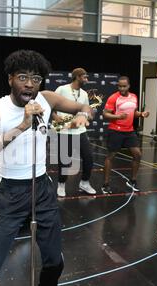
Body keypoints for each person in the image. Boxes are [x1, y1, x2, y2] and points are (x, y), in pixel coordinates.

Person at [0, 49, 93, 286]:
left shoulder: (48, 100)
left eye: (36, 78)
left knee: (54, 261)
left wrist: (83, 115)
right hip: (10, 191)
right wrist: (21, 127)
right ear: (10, 79)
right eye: (22, 77)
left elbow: (85, 105)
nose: (29, 84)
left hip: (42, 188)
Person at [101, 76, 149, 194]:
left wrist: (141, 114)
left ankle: (132, 181)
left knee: (137, 154)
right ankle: (105, 184)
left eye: (124, 86)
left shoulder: (134, 97)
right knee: (111, 156)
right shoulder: (114, 98)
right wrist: (118, 116)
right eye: (119, 86)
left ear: (129, 86)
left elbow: (134, 112)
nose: (122, 88)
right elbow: (105, 114)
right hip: (115, 131)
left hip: (129, 131)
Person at [52, 68, 96, 197]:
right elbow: (51, 105)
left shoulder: (83, 93)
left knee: (88, 158)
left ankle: (85, 183)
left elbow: (86, 110)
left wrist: (88, 116)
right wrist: (55, 117)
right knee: (65, 162)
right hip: (65, 131)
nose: (86, 80)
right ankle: (61, 184)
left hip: (80, 131)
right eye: (84, 77)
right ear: (77, 77)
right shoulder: (62, 89)